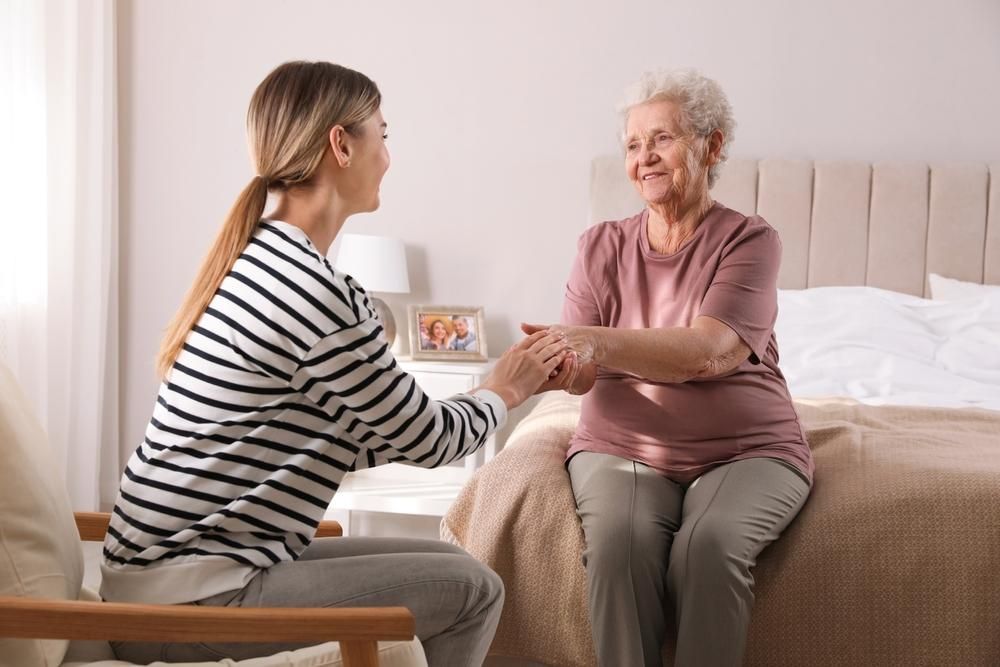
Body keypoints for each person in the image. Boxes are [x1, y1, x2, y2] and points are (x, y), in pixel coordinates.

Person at [101, 61, 570, 667]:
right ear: (341, 145)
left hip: (166, 582)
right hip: (191, 600)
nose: (389, 156)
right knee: (475, 592)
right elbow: (428, 441)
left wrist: (485, 393)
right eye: (383, 133)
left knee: (458, 565)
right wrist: (505, 390)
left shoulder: (259, 258)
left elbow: (331, 440)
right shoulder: (312, 289)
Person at [524, 69, 814, 667]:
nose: (644, 157)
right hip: (620, 445)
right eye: (633, 145)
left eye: (663, 138)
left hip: (748, 449)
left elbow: (710, 349)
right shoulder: (599, 246)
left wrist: (594, 343)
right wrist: (559, 362)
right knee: (617, 548)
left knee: (708, 547)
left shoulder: (750, 241)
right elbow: (581, 372)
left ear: (711, 146)